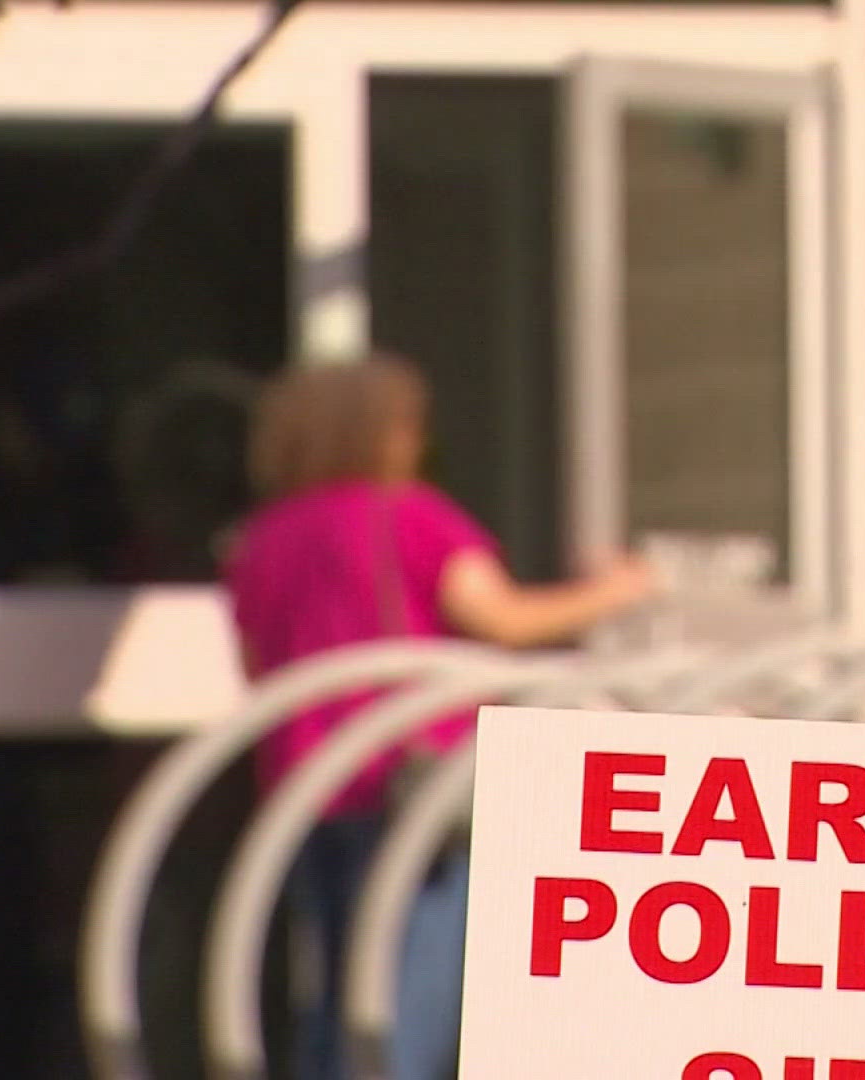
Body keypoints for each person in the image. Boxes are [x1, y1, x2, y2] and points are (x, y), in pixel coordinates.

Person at [223, 355, 651, 1080]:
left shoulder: (262, 540)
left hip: (304, 792)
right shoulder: (411, 517)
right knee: (404, 1005)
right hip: (405, 794)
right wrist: (620, 589)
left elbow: (256, 665)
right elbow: (502, 619)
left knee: (332, 993)